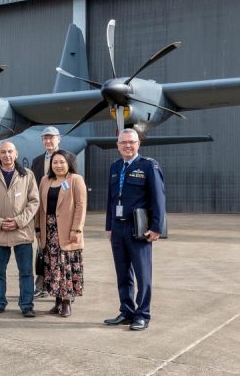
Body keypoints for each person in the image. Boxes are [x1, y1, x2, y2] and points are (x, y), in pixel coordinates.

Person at [104, 128, 165, 331]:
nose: (127, 146)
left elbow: (158, 199)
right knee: (123, 273)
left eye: (131, 142)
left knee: (142, 274)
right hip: (118, 228)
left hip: (138, 228)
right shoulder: (115, 167)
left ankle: (143, 314)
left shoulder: (148, 166)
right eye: (123, 143)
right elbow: (111, 200)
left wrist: (156, 228)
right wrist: (109, 225)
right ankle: (127, 311)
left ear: (138, 144)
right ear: (118, 145)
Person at [0, 141, 40, 317]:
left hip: (21, 232)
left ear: (16, 153)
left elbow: (34, 201)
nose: (6, 155)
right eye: (3, 152)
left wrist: (19, 221)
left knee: (26, 272)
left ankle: (27, 305)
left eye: (10, 152)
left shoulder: (27, 175)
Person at [37, 150, 86, 318]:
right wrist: (38, 229)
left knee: (65, 267)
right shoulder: (45, 180)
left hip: (67, 231)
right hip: (48, 231)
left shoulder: (75, 180)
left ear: (69, 163)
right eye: (55, 162)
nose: (58, 165)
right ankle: (57, 301)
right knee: (52, 267)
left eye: (62, 162)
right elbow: (40, 208)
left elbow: (80, 206)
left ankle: (66, 302)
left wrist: (76, 229)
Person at [30, 126, 61, 298]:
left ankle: (60, 287)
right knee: (41, 250)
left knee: (60, 253)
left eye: (51, 138)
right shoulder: (37, 161)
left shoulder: (66, 158)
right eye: (45, 138)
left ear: (58, 139)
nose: (48, 141)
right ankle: (40, 285)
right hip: (41, 214)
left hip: (60, 214)